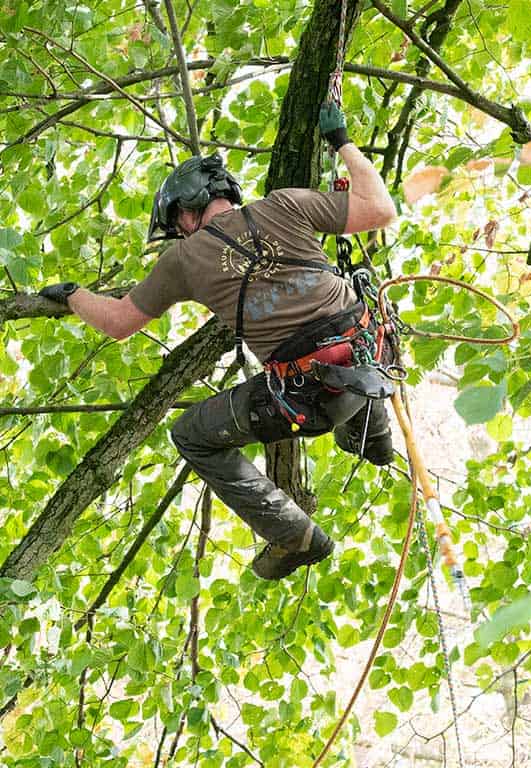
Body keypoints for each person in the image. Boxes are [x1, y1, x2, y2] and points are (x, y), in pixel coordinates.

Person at [39, 103, 397, 580]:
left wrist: (72, 296)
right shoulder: (285, 203)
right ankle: (375, 438)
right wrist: (341, 140)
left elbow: (119, 322)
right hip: (371, 365)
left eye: (178, 223)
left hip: (310, 399)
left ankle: (295, 536)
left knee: (191, 435)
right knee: (345, 327)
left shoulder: (184, 261)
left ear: (188, 208)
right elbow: (381, 209)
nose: (179, 233)